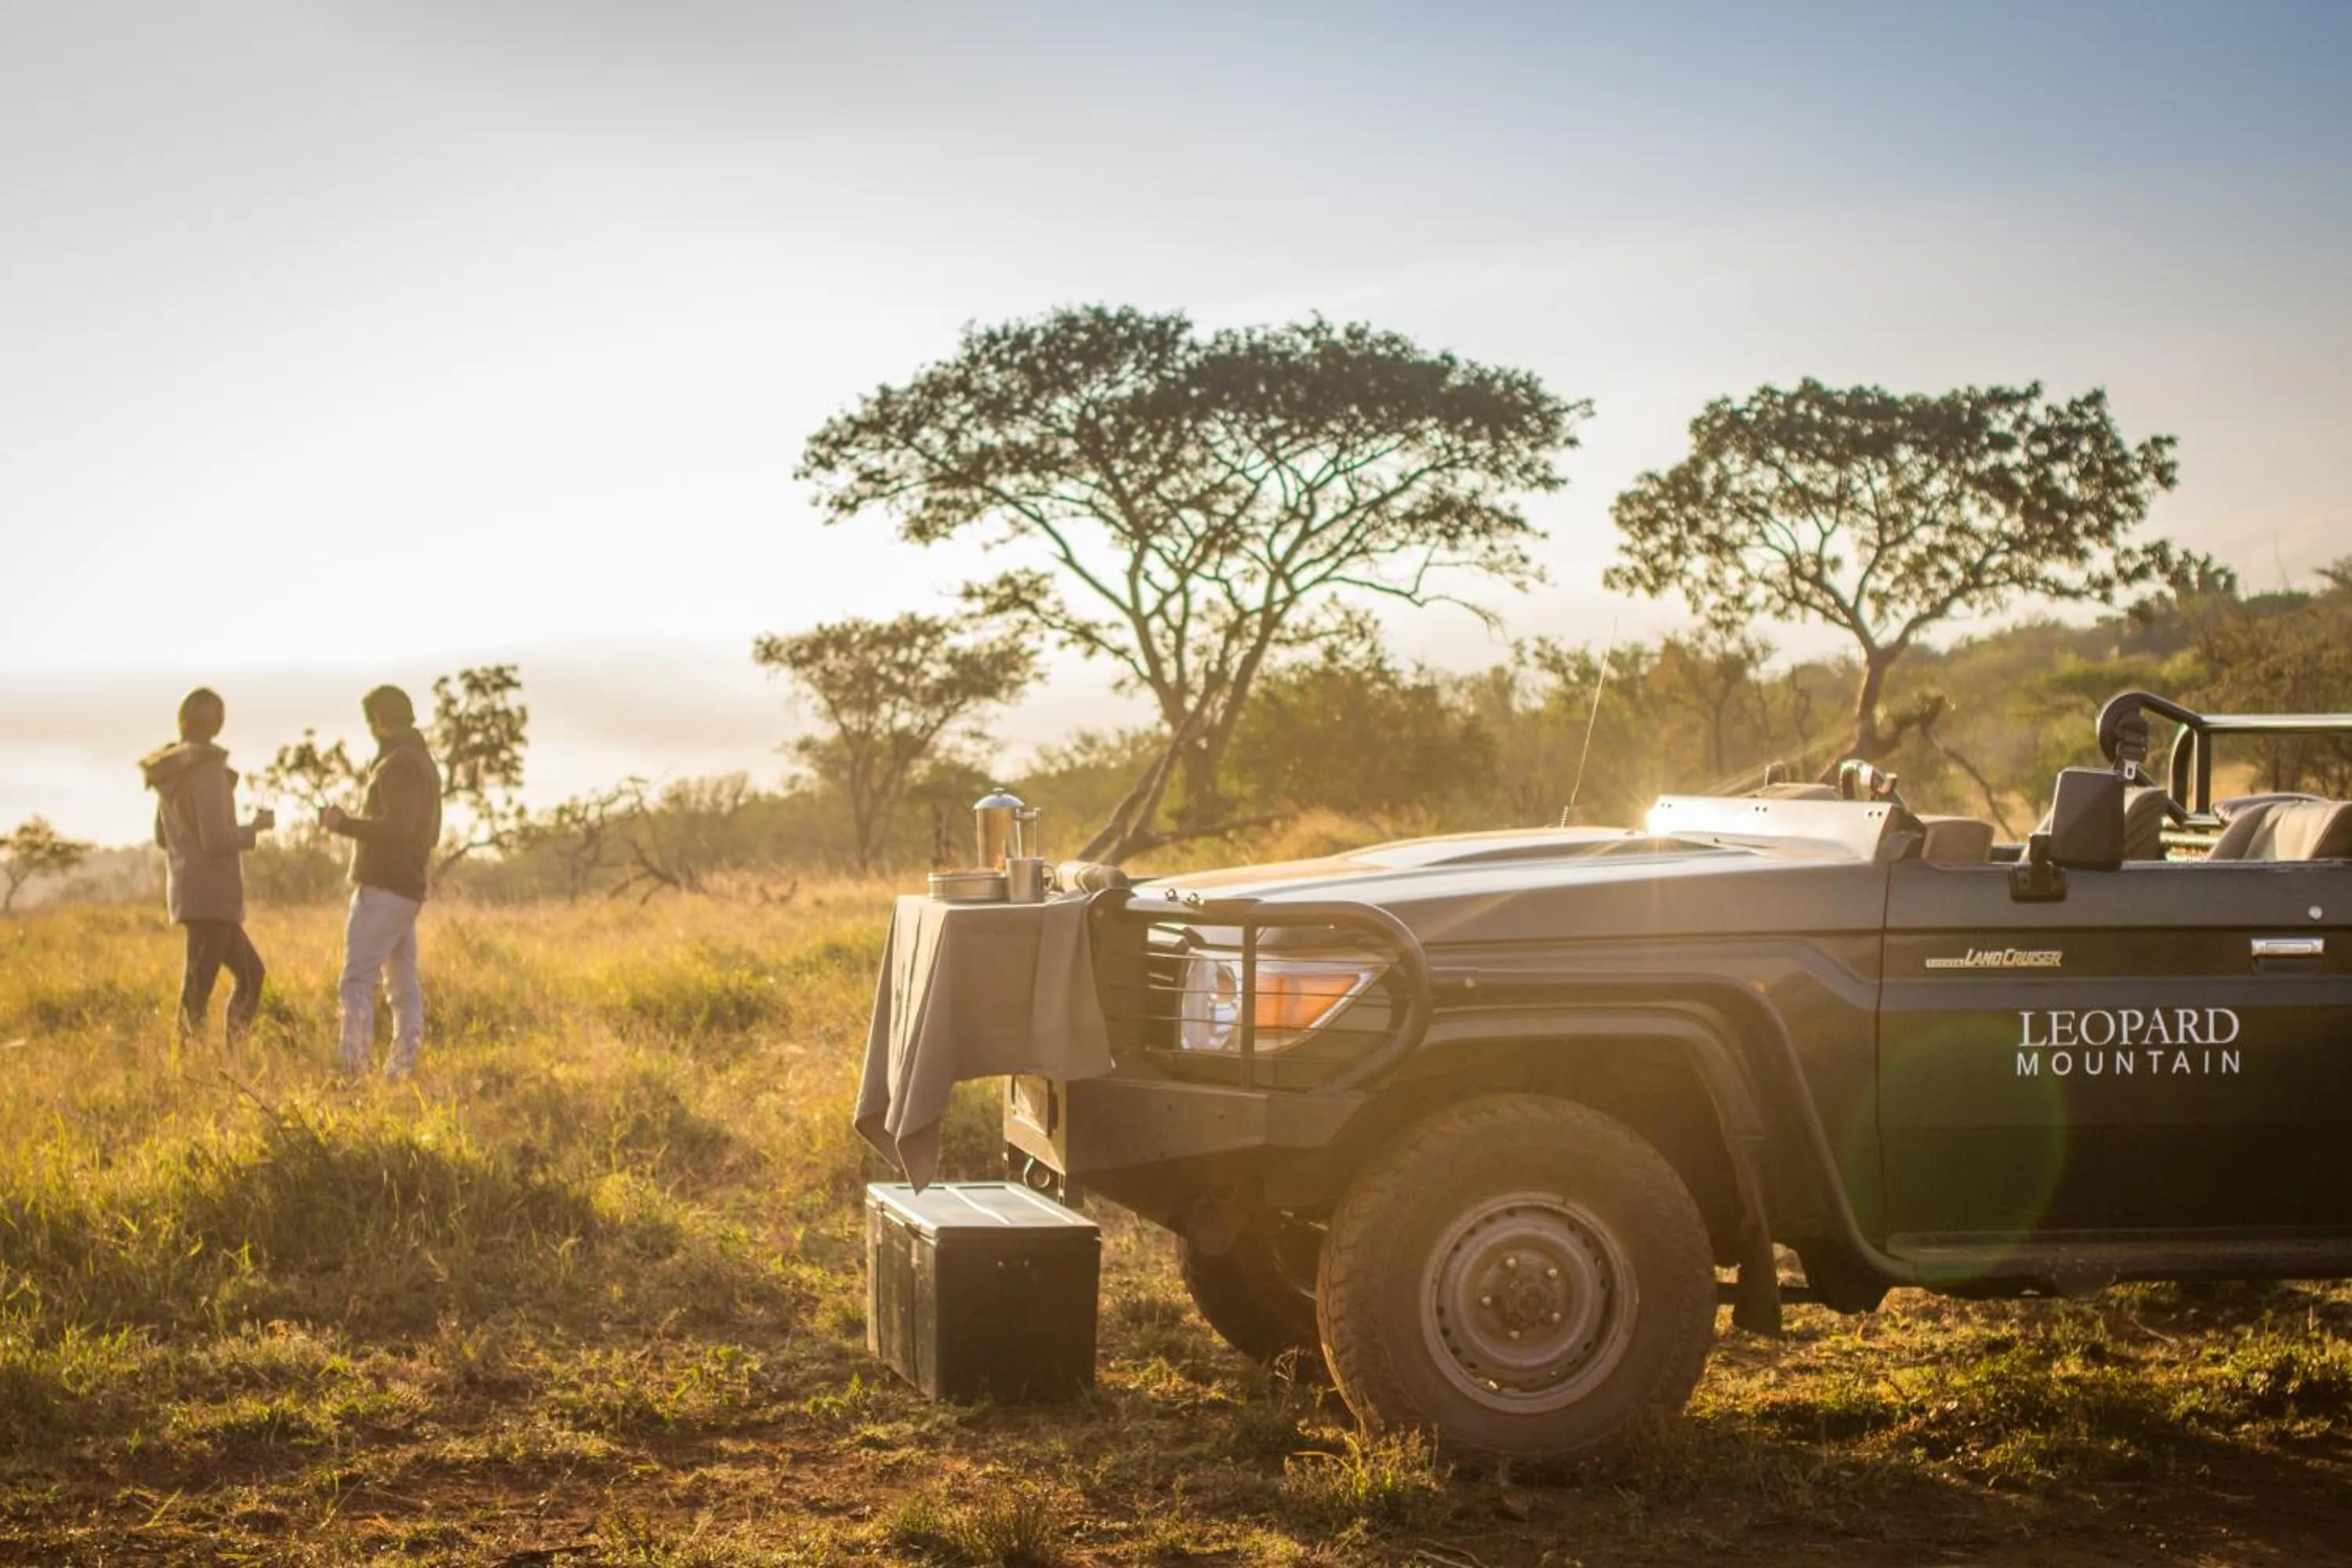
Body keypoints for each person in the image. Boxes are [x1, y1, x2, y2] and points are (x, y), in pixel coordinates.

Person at [140, 688, 275, 1045]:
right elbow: (216, 840)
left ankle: (224, 1059)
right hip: (214, 896)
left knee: (243, 976)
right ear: (218, 722)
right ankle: (195, 1064)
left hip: (190, 892)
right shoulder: (208, 768)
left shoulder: (172, 771)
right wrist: (254, 829)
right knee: (202, 990)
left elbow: (161, 835)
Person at [322, 685, 442, 1078]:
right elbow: (428, 832)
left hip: (384, 887)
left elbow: (396, 827)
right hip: (409, 887)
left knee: (356, 979)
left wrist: (344, 825)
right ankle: (401, 1067)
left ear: (381, 720)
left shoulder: (397, 765)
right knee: (401, 981)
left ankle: (354, 1066)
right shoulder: (424, 763)